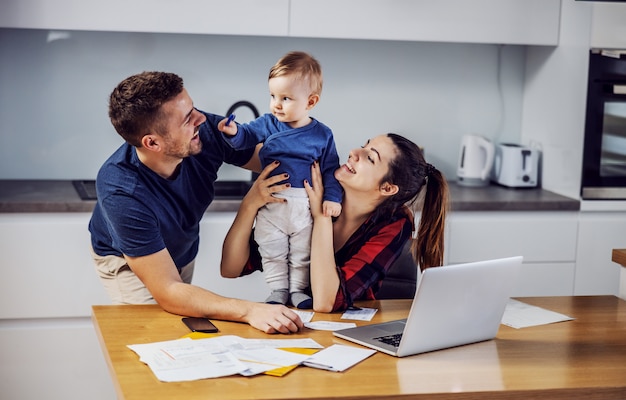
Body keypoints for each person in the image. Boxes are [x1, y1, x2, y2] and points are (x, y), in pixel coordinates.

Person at [88, 71, 303, 334]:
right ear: (152, 142)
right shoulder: (122, 191)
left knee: (185, 332)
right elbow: (168, 290)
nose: (201, 118)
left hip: (181, 247)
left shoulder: (202, 132)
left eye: (194, 108)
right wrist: (250, 310)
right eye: (187, 118)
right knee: (157, 338)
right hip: (129, 262)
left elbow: (273, 161)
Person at [221, 133, 449, 312]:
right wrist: (249, 204)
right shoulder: (309, 185)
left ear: (387, 188)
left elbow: (325, 302)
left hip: (352, 332)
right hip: (292, 321)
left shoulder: (395, 223)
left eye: (370, 158)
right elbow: (231, 268)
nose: (354, 152)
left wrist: (322, 217)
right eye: (364, 144)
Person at [218, 51, 342, 309]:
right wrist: (233, 132)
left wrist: (332, 198)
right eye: (273, 96)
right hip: (272, 203)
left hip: (304, 206)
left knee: (301, 252)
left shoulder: (322, 134)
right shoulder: (268, 123)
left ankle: (297, 290)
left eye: (286, 98)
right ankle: (278, 289)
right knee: (270, 248)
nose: (276, 104)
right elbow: (246, 136)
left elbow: (330, 170)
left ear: (311, 101)